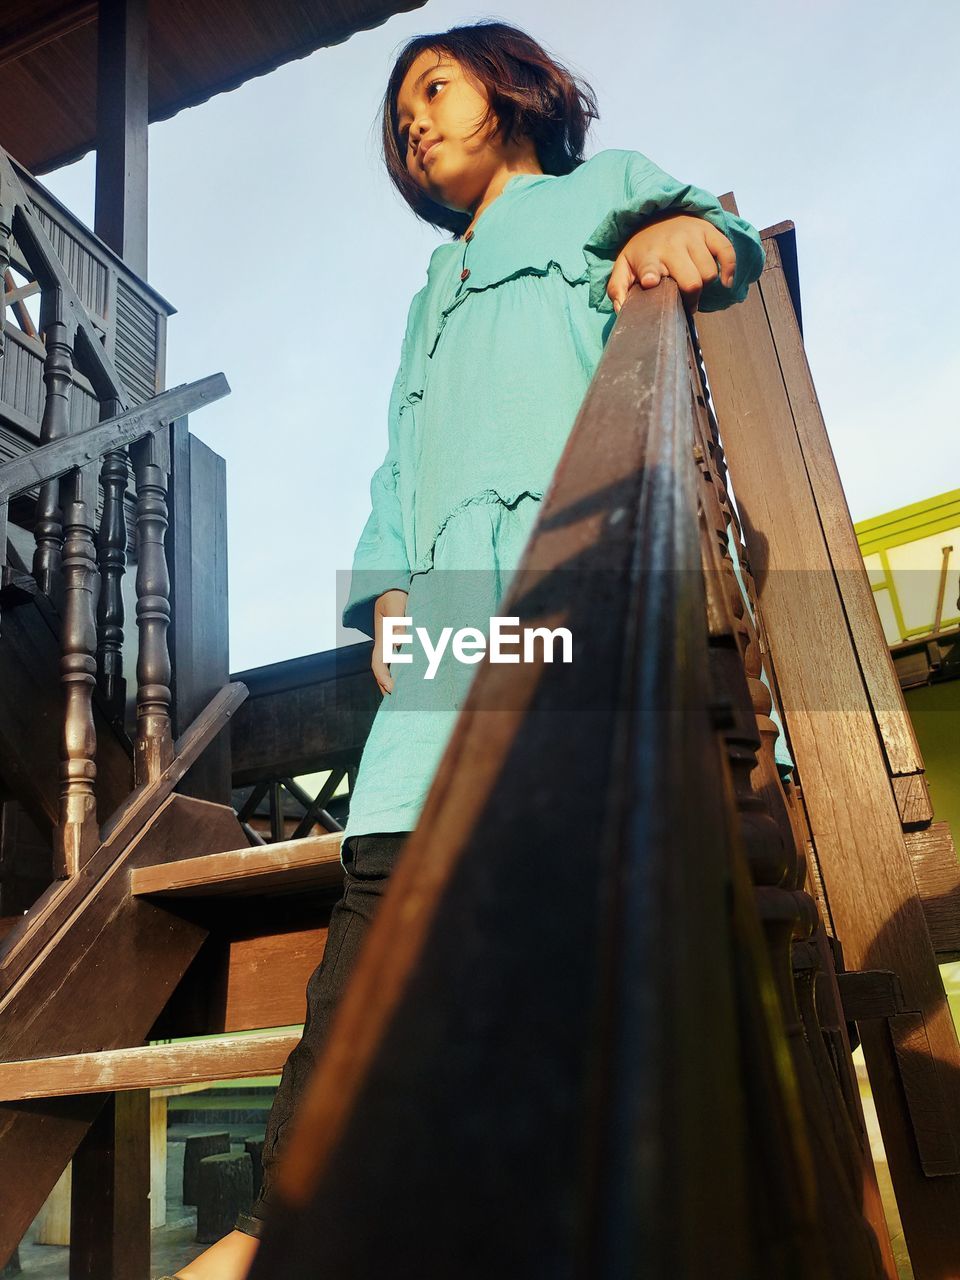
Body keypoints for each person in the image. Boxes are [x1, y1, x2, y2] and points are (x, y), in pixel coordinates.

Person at [168, 18, 763, 1279]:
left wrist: (672, 240)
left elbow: (718, 233)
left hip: (563, 574)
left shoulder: (596, 191)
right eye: (399, 119)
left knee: (555, 869)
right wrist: (383, 589)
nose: (415, 123)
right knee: (378, 898)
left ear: (514, 87)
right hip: (443, 614)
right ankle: (277, 1219)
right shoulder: (427, 293)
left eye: (432, 90)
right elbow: (395, 458)